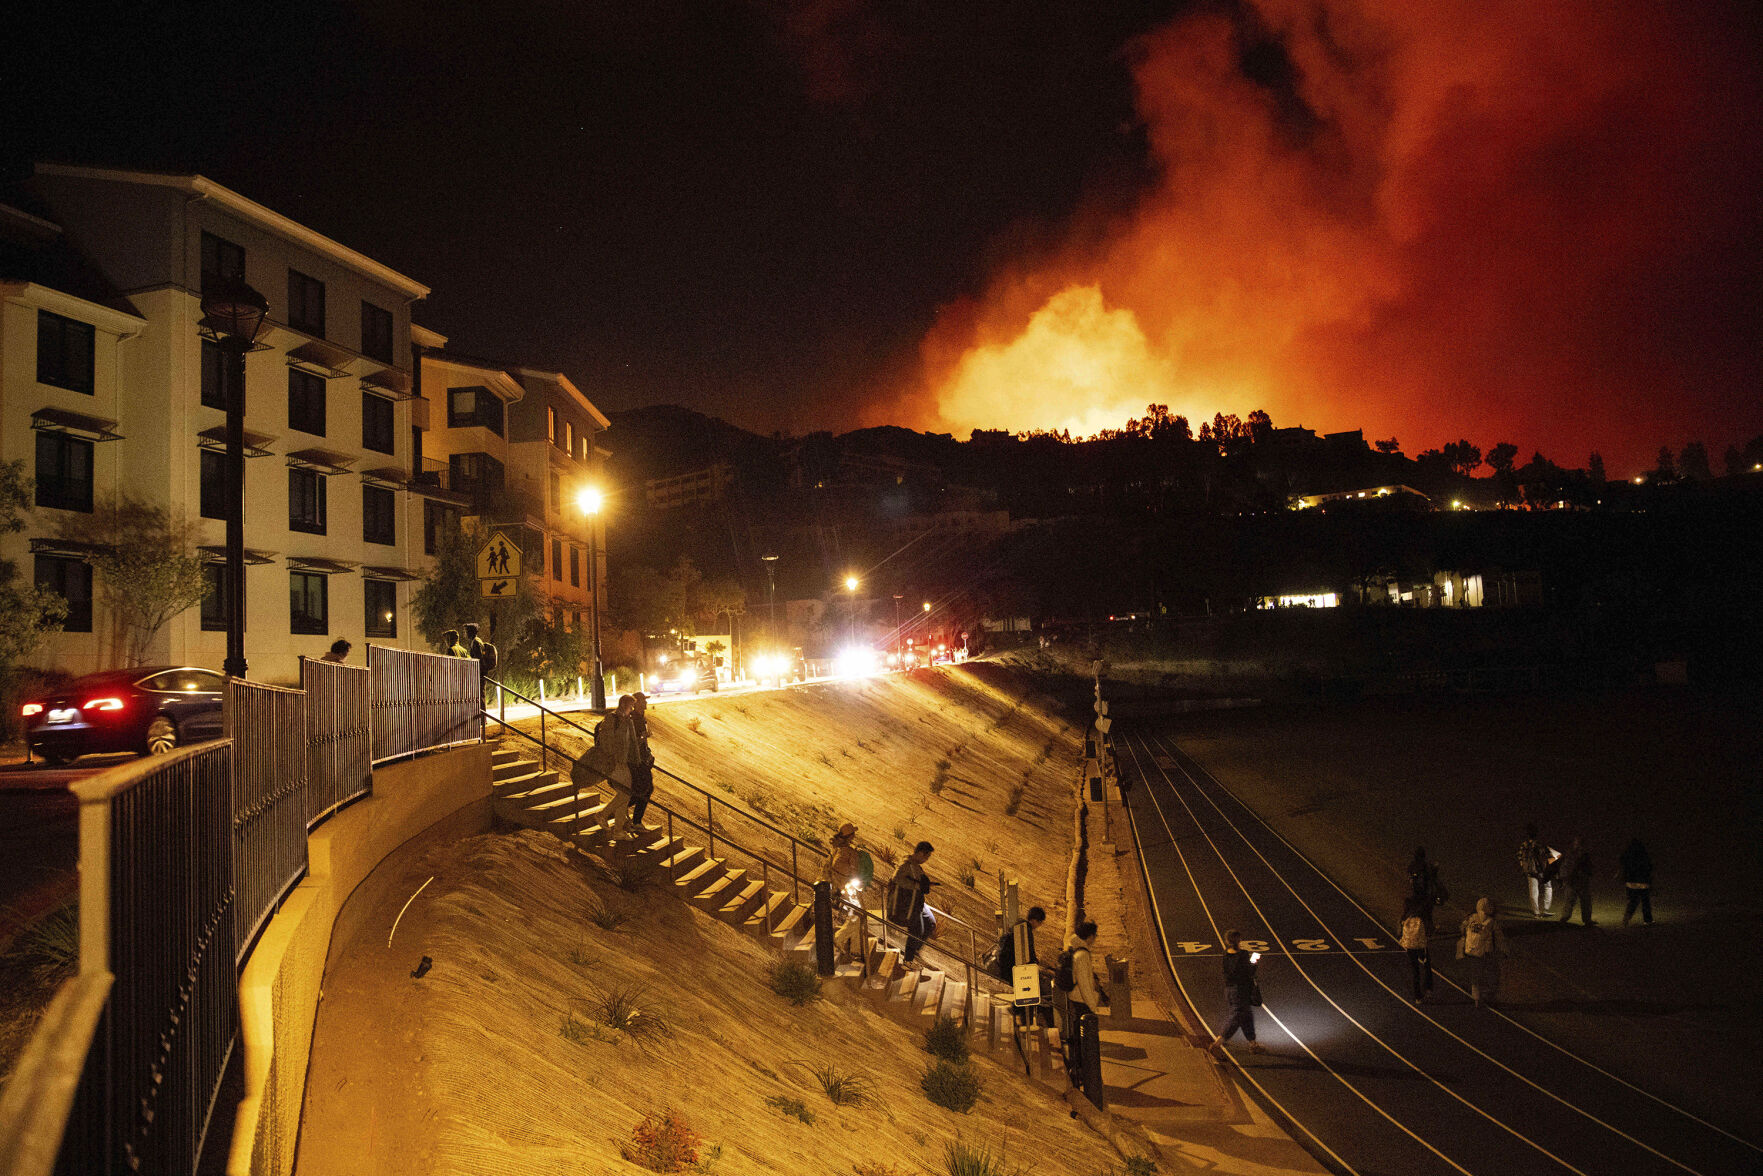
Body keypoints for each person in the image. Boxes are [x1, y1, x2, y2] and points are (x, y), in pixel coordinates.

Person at [1063, 919, 1111, 1092]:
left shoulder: (1076, 950)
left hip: (1075, 1000)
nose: (1095, 939)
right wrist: (1093, 1005)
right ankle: (1084, 1075)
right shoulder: (1082, 955)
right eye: (1095, 936)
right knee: (1084, 1040)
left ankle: (1080, 1072)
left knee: (1079, 1038)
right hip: (1082, 1002)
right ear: (1089, 937)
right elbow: (1084, 984)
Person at [1207, 929, 1262, 1054]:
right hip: (1241, 991)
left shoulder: (1226, 953)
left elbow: (1231, 971)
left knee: (1246, 1015)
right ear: (1238, 940)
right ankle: (1218, 1043)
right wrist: (1254, 962)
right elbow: (1248, 972)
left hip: (1229, 990)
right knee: (1237, 1016)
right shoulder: (1243, 954)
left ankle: (1253, 1043)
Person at [819, 822, 864, 960]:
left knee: (857, 916)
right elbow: (853, 872)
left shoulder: (835, 850)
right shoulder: (850, 853)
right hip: (845, 888)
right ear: (850, 836)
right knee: (857, 915)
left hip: (835, 886)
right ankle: (840, 938)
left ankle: (856, 950)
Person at [889, 841, 936, 964]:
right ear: (920, 853)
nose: (926, 859)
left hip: (917, 903)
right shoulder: (906, 864)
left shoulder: (915, 866)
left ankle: (913, 952)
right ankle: (908, 961)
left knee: (930, 923)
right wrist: (916, 885)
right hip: (907, 905)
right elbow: (896, 879)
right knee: (916, 930)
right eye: (926, 856)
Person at [1460, 897, 1506, 1007]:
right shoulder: (1491, 921)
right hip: (1486, 952)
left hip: (1472, 951)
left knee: (1475, 975)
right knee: (1492, 972)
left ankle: (1476, 999)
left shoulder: (1471, 918)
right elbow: (1499, 938)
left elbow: (1462, 929)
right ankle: (1489, 995)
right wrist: (1504, 950)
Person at [626, 692, 657, 831]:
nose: (646, 702)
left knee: (643, 789)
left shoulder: (641, 718)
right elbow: (631, 743)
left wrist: (648, 753)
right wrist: (642, 738)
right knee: (646, 788)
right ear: (636, 702)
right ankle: (630, 817)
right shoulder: (632, 719)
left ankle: (622, 812)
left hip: (642, 760)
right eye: (643, 700)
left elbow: (643, 742)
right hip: (635, 762)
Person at [1518, 823, 1559, 918]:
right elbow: (1550, 856)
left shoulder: (1524, 845)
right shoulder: (1540, 844)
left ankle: (1536, 912)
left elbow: (1519, 857)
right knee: (1548, 888)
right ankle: (1545, 909)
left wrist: (1525, 867)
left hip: (1530, 871)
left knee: (1533, 891)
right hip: (1541, 871)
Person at [1399, 896, 1433, 1003]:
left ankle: (1417, 997)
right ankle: (1428, 988)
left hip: (1409, 946)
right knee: (1427, 965)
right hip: (1421, 946)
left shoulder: (1405, 916)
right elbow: (1429, 929)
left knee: (1415, 970)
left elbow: (1398, 930)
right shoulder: (1421, 916)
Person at [1407, 848, 1445, 933]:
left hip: (1417, 892)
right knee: (1426, 911)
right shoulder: (1425, 866)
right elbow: (1431, 877)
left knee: (1419, 910)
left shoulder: (1414, 865)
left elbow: (1411, 875)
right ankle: (1426, 929)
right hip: (1424, 893)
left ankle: (1419, 928)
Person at [1558, 837, 1595, 926]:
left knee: (1583, 901)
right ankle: (1565, 918)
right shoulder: (1571, 855)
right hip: (1574, 880)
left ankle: (1585, 919)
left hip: (1579, 880)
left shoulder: (1582, 855)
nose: (1579, 846)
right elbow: (1565, 866)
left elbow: (1589, 868)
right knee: (1571, 900)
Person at [1618, 838, 1654, 927]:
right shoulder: (1644, 855)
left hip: (1631, 882)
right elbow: (1650, 867)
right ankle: (1648, 920)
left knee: (1632, 901)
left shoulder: (1627, 855)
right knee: (1645, 902)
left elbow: (1622, 863)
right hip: (1643, 882)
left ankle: (1626, 919)